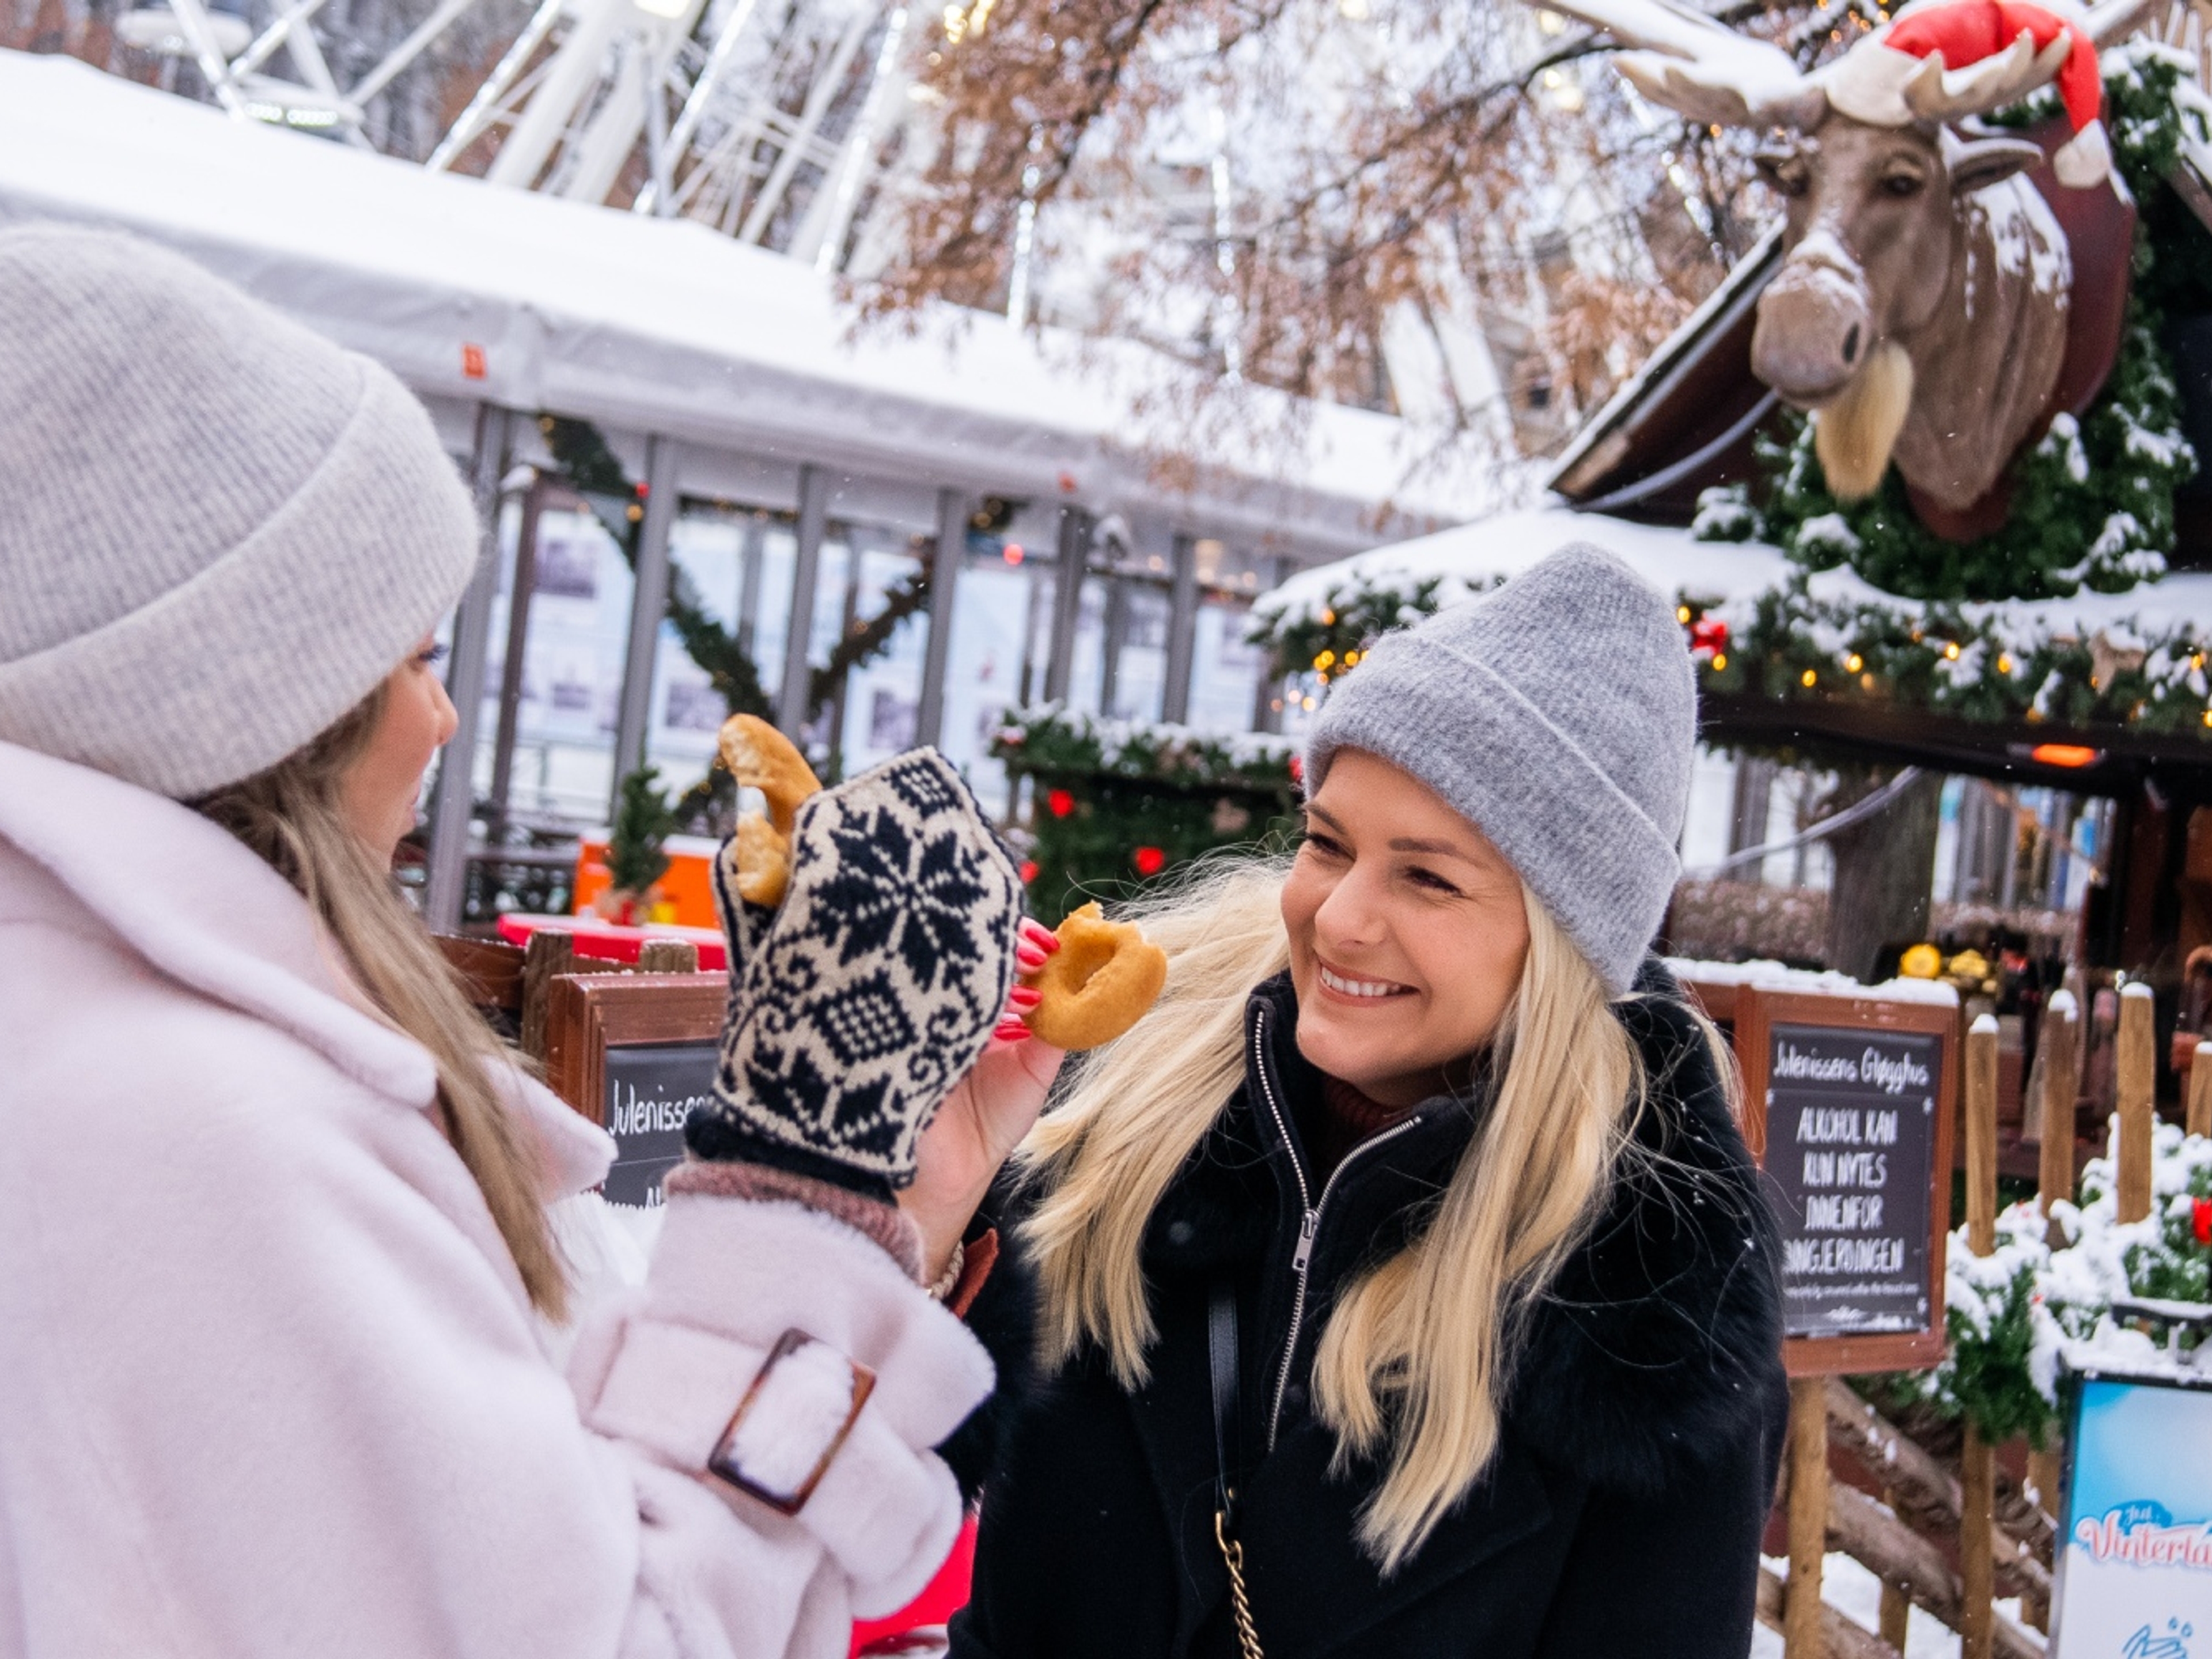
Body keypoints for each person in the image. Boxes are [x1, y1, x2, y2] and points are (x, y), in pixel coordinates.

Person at [0, 222, 1058, 1658]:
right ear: (250, 698)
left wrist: (896, 1207)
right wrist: (804, 1174)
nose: (436, 722)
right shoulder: (209, 1139)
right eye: (415, 662)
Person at [951, 546, 1790, 1657]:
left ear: (1563, 944)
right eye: (1327, 843)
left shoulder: (1652, 1324)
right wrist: (928, 1218)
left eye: (1427, 876)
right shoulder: (1116, 1123)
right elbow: (868, 1499)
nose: (1340, 918)